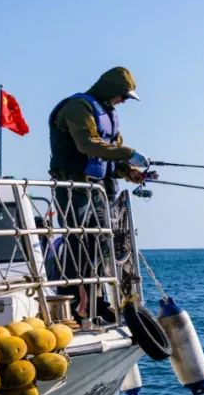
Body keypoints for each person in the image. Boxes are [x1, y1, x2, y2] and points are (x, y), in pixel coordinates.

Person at [47, 66, 155, 322]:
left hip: (101, 189)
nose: (124, 101)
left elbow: (111, 156)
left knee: (100, 245)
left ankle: (96, 301)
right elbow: (87, 144)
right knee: (78, 242)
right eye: (123, 96)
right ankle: (73, 302)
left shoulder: (109, 114)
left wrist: (131, 173)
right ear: (111, 90)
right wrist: (129, 153)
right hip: (75, 186)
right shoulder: (77, 107)